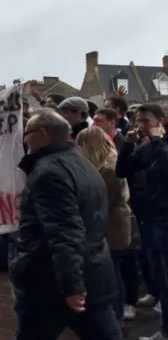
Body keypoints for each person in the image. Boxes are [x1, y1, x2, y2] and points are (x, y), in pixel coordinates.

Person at [11, 109, 121, 339]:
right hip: (92, 271)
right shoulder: (84, 164)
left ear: (42, 134)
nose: (25, 140)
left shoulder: (48, 173)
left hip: (52, 282)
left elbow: (65, 232)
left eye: (27, 134)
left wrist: (72, 286)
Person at [115, 103, 168, 340]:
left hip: (165, 220)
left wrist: (156, 141)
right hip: (152, 218)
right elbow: (122, 170)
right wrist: (127, 144)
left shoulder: (160, 145)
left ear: (160, 120)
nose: (140, 125)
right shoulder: (147, 145)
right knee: (159, 276)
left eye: (145, 121)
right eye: (138, 120)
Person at [76, 126, 132, 331]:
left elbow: (99, 201)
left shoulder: (108, 170)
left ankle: (117, 316)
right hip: (111, 226)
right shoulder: (105, 167)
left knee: (113, 274)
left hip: (112, 229)